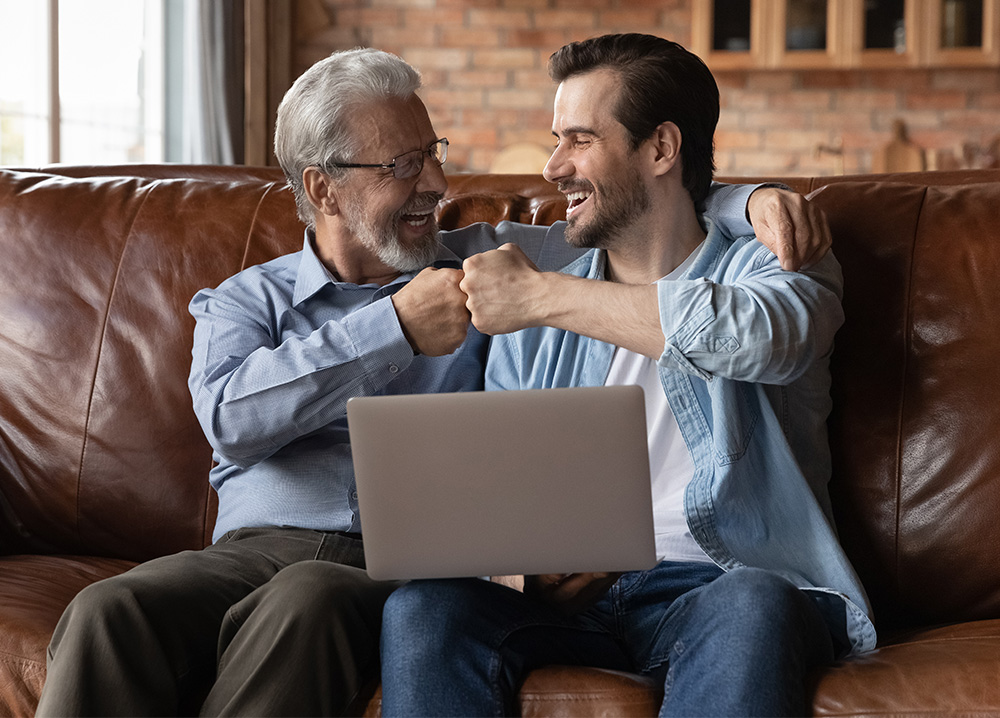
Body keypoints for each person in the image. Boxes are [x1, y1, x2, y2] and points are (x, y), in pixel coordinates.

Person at [36, 46, 830, 717]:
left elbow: (647, 215)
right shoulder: (251, 299)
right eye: (402, 165)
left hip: (398, 562)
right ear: (322, 189)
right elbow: (233, 420)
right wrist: (393, 331)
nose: (436, 184)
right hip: (261, 546)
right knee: (109, 609)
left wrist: (748, 199)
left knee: (316, 600)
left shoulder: (497, 269)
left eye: (433, 153)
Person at [379, 34, 876, 718]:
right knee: (425, 608)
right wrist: (526, 569)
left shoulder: (779, 262)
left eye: (579, 139)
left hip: (719, 587)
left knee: (757, 599)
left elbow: (760, 337)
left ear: (662, 149)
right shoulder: (535, 290)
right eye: (556, 139)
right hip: (577, 612)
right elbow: (504, 504)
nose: (554, 167)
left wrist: (544, 298)